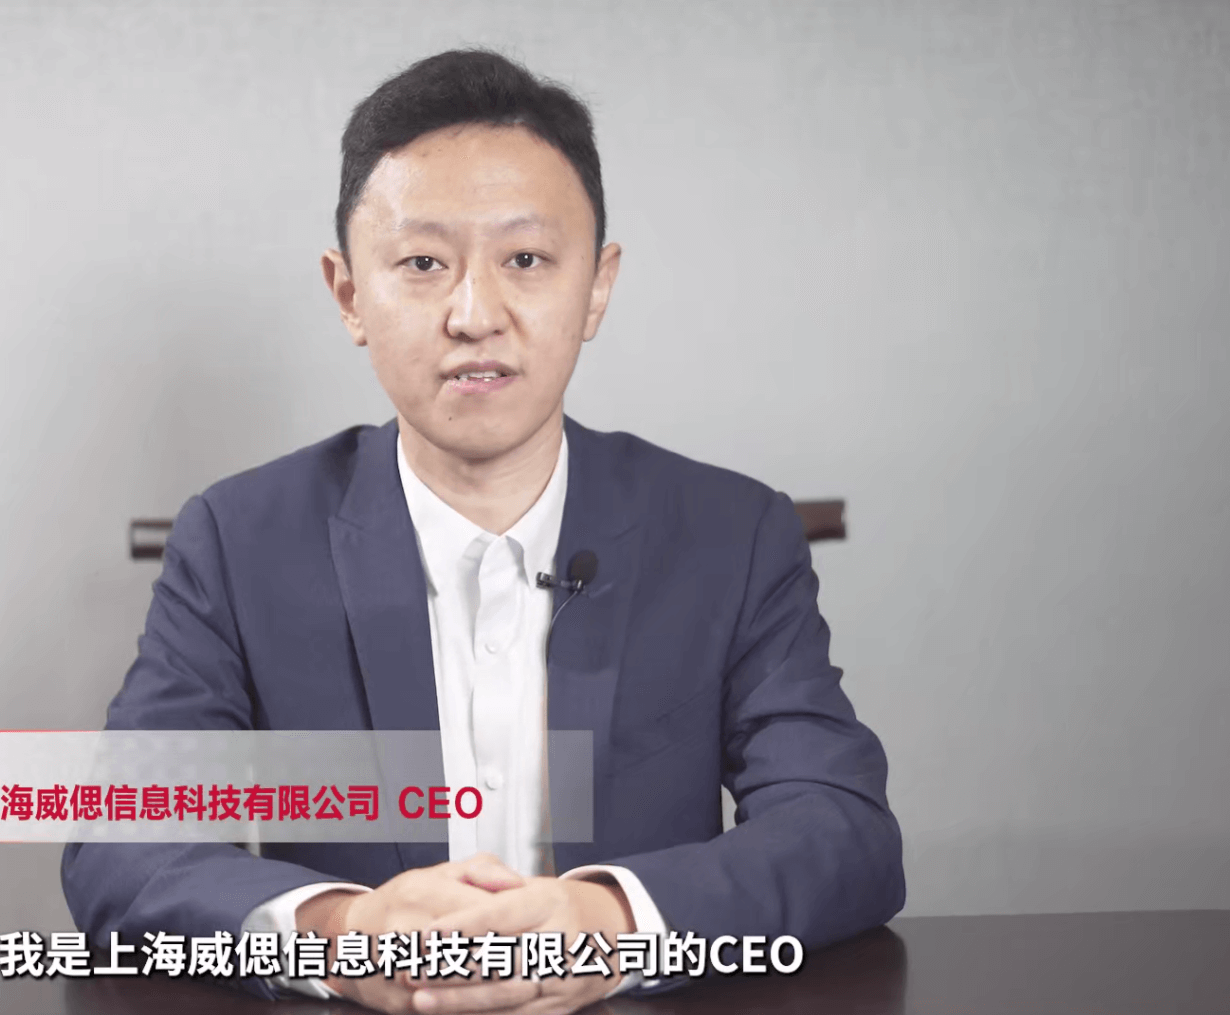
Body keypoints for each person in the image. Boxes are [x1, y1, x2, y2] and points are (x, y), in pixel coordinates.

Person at [63, 48, 904, 1014]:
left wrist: (614, 921)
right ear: (349, 295)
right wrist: (341, 933)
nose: (475, 314)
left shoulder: (731, 534)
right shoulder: (238, 540)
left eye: (526, 260)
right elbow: (121, 846)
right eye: (423, 263)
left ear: (597, 286)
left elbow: (841, 827)